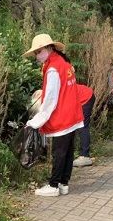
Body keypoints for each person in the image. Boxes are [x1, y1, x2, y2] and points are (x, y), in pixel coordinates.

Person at [23, 34, 84, 197]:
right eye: (35, 53)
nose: (37, 56)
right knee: (68, 150)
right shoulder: (63, 63)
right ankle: (64, 183)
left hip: (62, 115)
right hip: (73, 112)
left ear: (49, 48)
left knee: (59, 152)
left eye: (39, 51)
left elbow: (50, 100)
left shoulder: (53, 69)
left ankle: (54, 185)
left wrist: (35, 122)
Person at [30, 84, 95, 167]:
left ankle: (85, 156)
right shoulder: (50, 93)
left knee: (82, 126)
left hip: (85, 97)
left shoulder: (53, 97)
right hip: (81, 96)